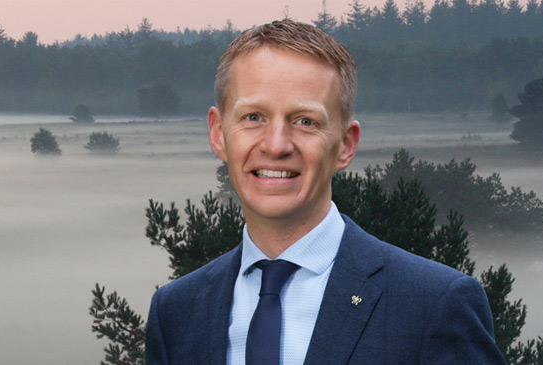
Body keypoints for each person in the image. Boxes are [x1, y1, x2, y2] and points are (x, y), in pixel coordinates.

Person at [144, 20, 505, 364]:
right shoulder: (176, 312)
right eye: (253, 117)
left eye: (305, 121)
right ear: (218, 134)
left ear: (345, 145)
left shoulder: (436, 304)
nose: (276, 145)